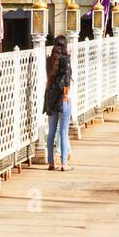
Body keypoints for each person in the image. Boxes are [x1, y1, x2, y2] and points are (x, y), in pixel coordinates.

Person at [43, 36, 72, 171]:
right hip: (62, 98)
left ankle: (51, 162)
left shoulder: (49, 60)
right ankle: (64, 163)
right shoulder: (65, 59)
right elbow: (66, 80)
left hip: (50, 97)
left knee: (51, 132)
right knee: (63, 131)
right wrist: (65, 95)